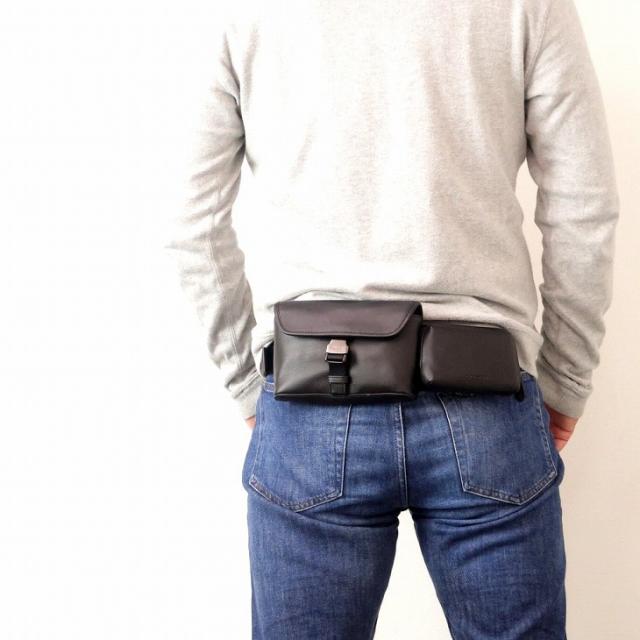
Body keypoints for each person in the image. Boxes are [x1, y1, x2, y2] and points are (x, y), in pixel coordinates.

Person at [166, 1, 619, 637]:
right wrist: (566, 379)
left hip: (310, 399)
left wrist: (246, 383)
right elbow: (583, 208)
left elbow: (190, 224)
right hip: (484, 401)